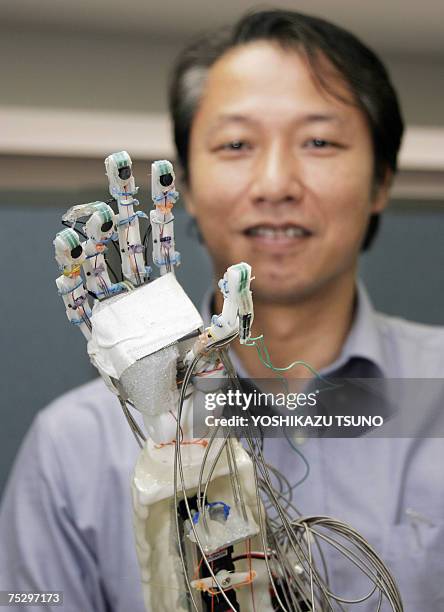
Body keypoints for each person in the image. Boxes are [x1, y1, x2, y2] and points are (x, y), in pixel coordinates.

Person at [1, 9, 443, 611]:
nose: (276, 181)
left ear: (382, 179)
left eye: (319, 141)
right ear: (184, 183)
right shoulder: (72, 449)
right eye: (236, 144)